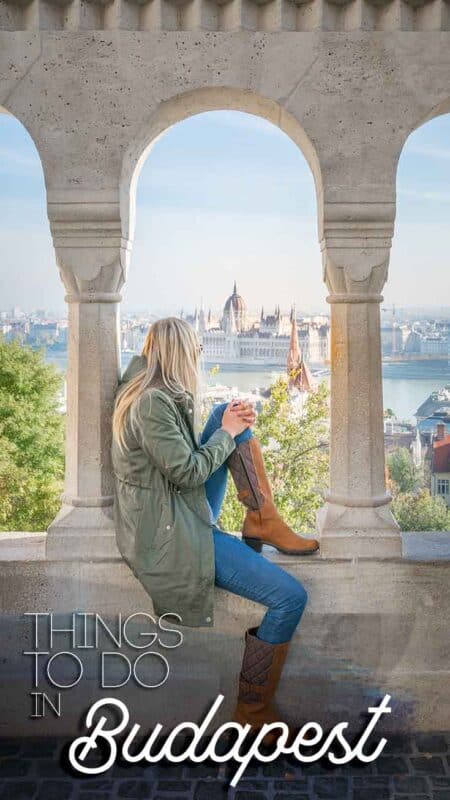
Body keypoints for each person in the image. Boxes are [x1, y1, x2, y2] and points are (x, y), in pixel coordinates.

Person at [111, 317, 319, 735]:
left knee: (230, 412)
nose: (200, 361)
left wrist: (229, 424)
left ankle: (263, 519)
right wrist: (226, 435)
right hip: (173, 536)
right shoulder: (151, 404)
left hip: (176, 511)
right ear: (181, 355)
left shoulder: (150, 392)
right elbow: (187, 473)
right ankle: (253, 709)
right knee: (290, 597)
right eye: (197, 353)